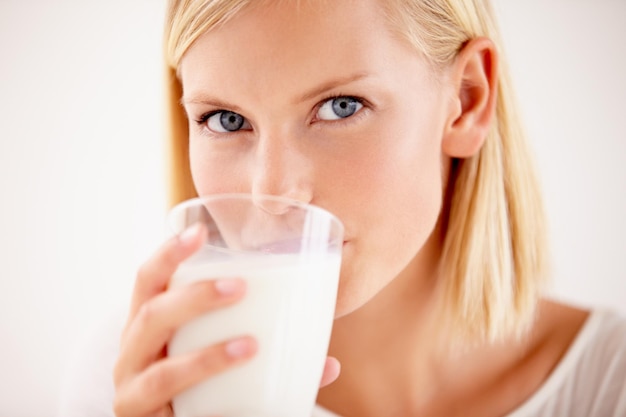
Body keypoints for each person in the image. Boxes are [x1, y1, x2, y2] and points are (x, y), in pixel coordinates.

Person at [59, 0, 626, 416]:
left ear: (467, 102)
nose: (272, 190)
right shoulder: (138, 381)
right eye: (226, 120)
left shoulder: (610, 384)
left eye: (340, 106)